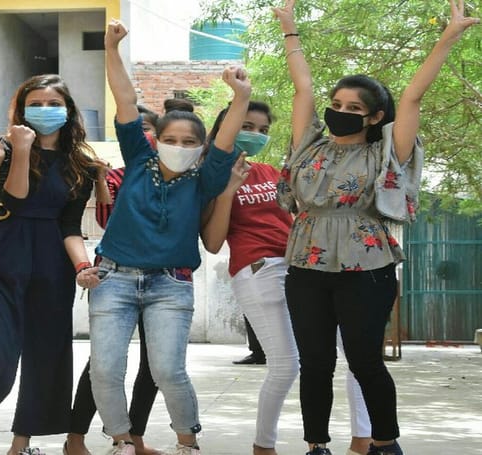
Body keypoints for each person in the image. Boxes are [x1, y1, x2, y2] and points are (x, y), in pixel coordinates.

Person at [272, 1, 479, 454]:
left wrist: (449, 36)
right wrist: (290, 28)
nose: (339, 111)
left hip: (367, 269)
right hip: (306, 267)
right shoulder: (309, 145)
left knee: (365, 361)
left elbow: (412, 98)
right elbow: (303, 86)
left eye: (353, 107)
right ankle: (316, 446)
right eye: (336, 104)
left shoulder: (385, 152)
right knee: (315, 364)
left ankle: (385, 444)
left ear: (374, 117)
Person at [88, 19, 248, 455]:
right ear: (155, 140)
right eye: (170, 138)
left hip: (170, 284)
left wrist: (241, 96)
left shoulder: (205, 178)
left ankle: (187, 442)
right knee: (104, 369)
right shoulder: (139, 160)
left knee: (168, 371)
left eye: (188, 141)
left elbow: (226, 139)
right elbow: (125, 98)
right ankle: (121, 440)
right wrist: (111, 49)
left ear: (200, 146)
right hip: (113, 279)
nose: (179, 145)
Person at [202, 101, 374, 455]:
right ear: (225, 126)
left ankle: (363, 439)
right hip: (258, 269)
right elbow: (214, 242)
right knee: (285, 365)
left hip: (306, 266)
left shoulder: (268, 171)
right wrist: (228, 190)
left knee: (358, 354)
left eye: (263, 130)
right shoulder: (208, 177)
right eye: (247, 126)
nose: (256, 135)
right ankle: (264, 446)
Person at [0, 74, 99, 455]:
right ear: (21, 110)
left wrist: (82, 266)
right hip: (4, 256)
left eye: (53, 104)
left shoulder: (81, 165)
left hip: (53, 263)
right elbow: (12, 199)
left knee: (46, 353)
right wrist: (22, 149)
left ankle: (21, 443)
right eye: (36, 104)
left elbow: (70, 225)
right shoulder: (3, 150)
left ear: (68, 110)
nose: (45, 110)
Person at [66, 107, 161, 455]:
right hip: (114, 276)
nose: (143, 136)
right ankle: (75, 438)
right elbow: (107, 219)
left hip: (161, 279)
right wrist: (103, 183)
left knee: (155, 364)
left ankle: (135, 439)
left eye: (148, 128)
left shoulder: (176, 179)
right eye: (137, 130)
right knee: (102, 363)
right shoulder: (116, 177)